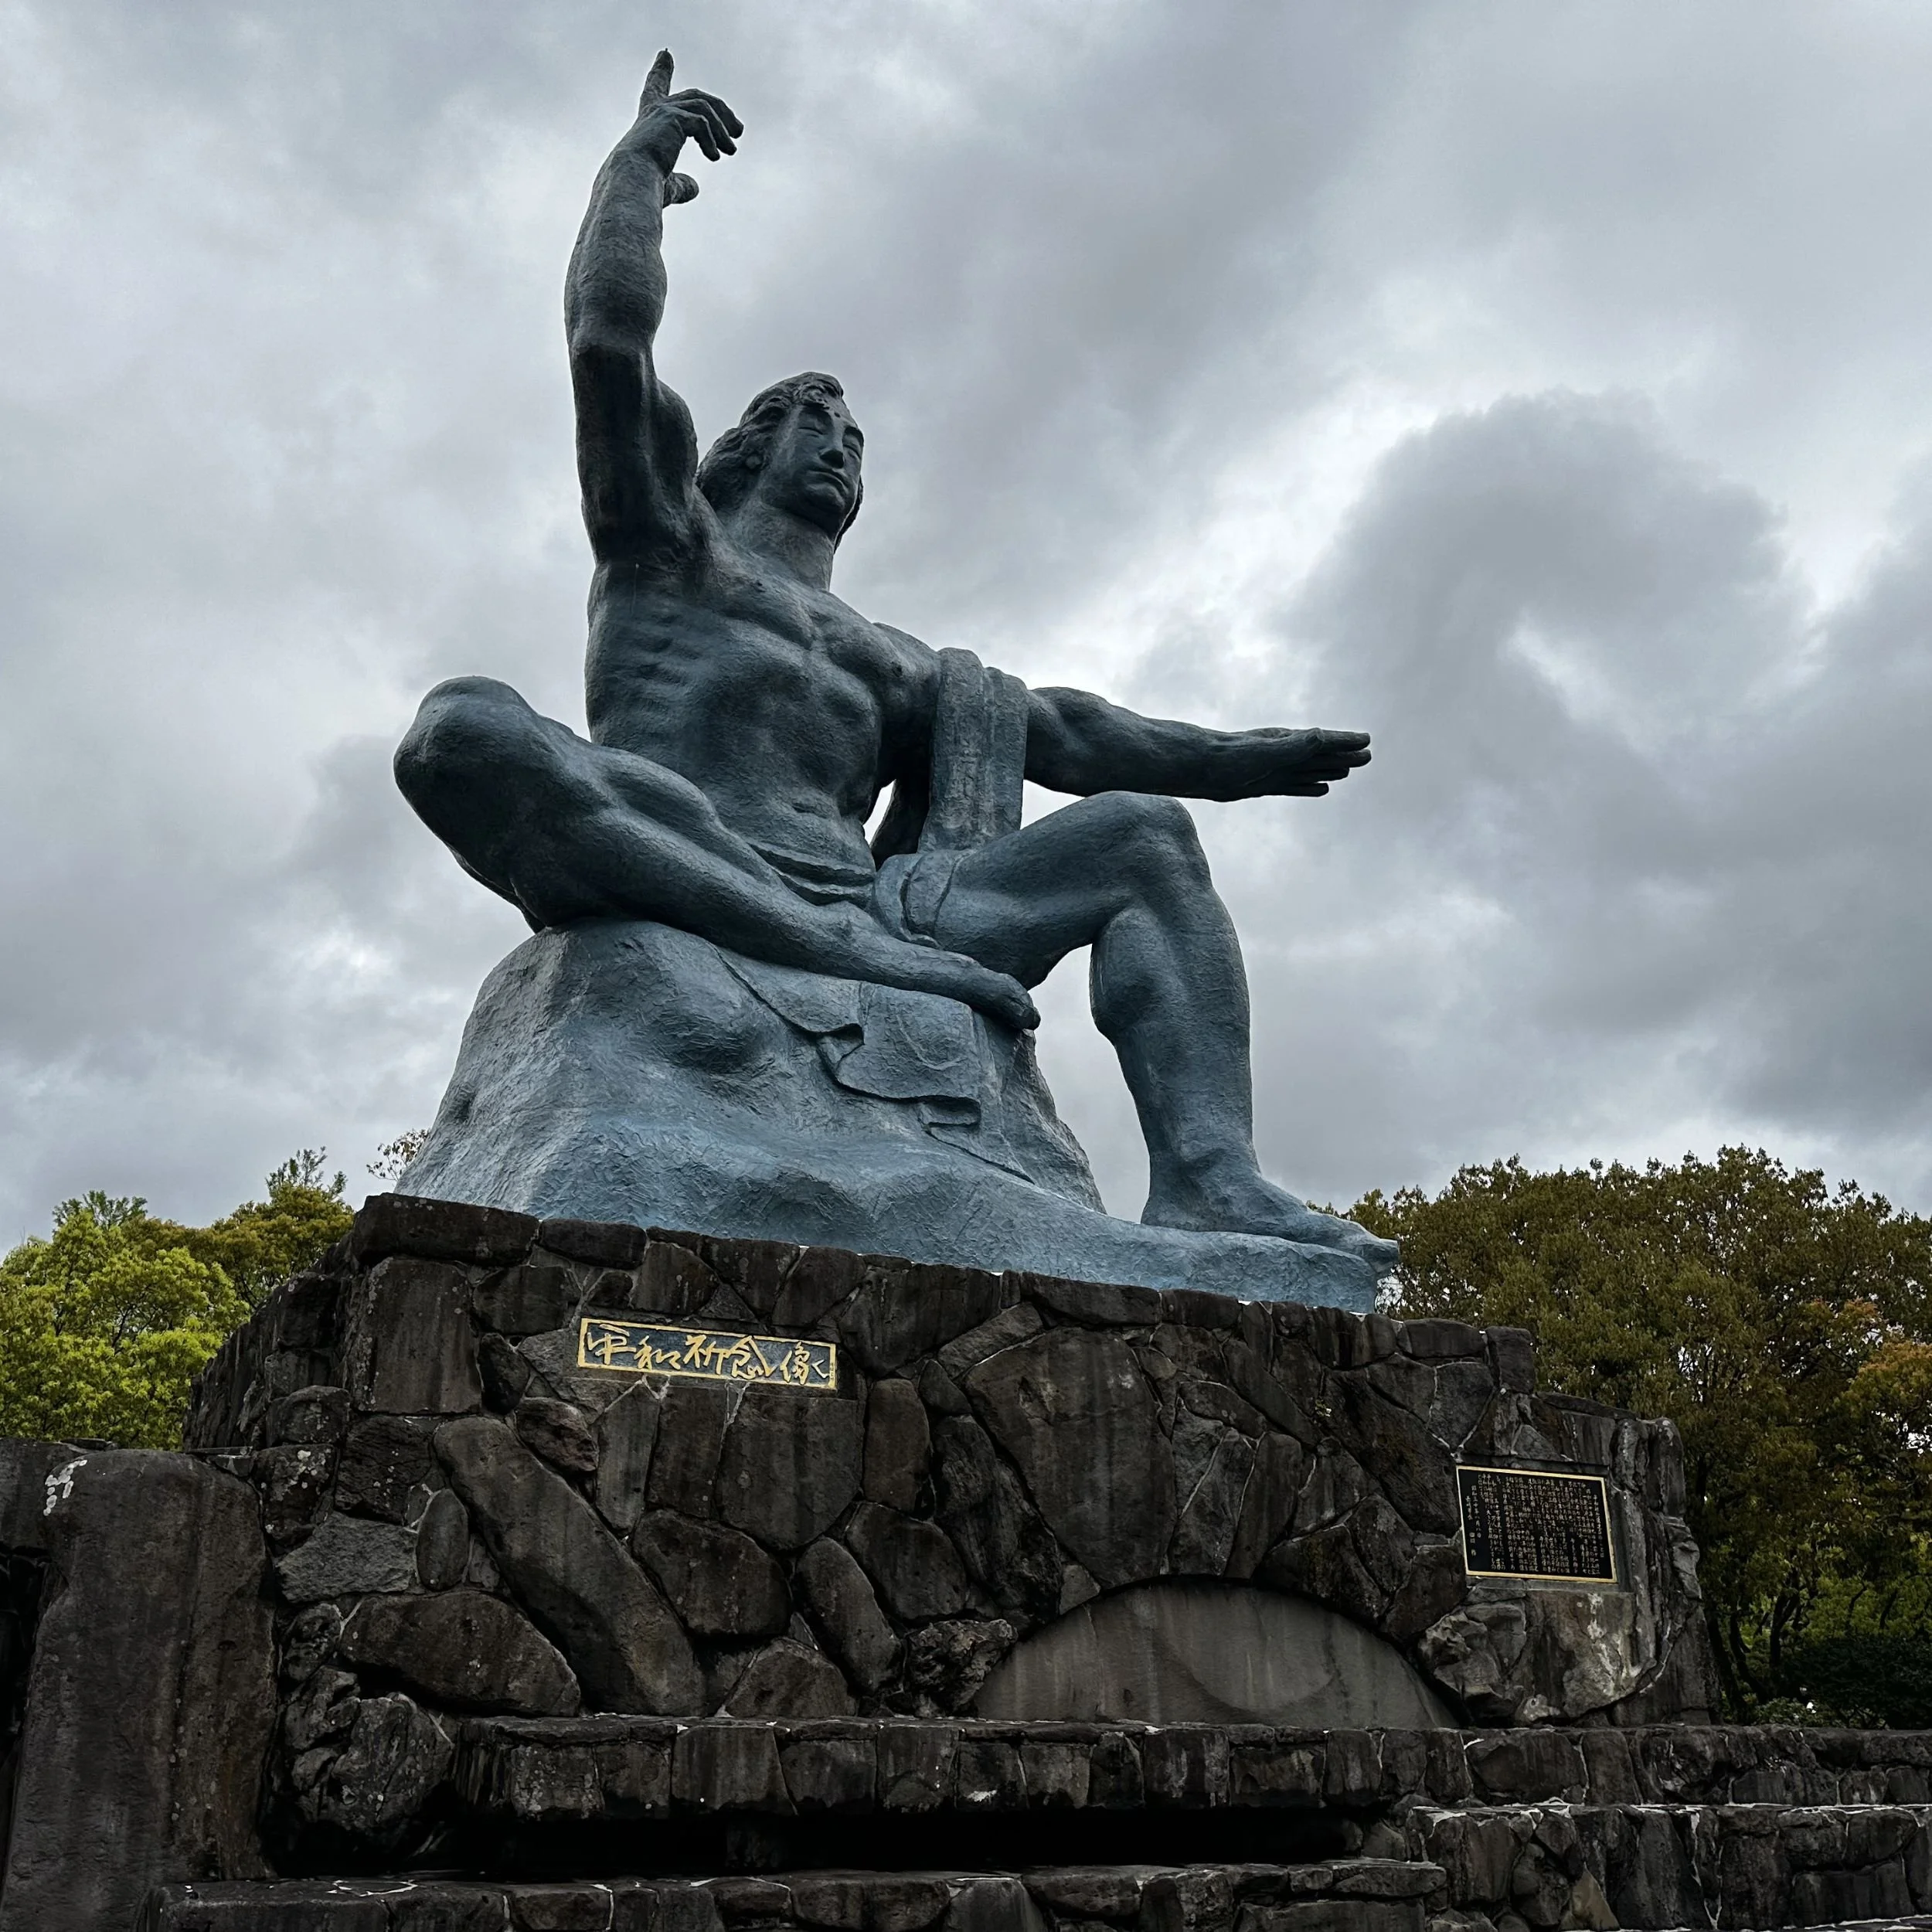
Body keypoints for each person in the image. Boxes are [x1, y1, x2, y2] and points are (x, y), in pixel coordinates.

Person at [396, 53, 1389, 1263]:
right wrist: (634, 169)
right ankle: (794, 939)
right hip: (678, 850)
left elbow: (1072, 732)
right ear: (746, 447)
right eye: (818, 425)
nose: (844, 450)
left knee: (1142, 836)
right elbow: (610, 342)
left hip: (880, 905)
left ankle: (1210, 1180)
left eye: (858, 440)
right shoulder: (669, 545)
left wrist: (1242, 760)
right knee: (461, 729)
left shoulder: (895, 661)